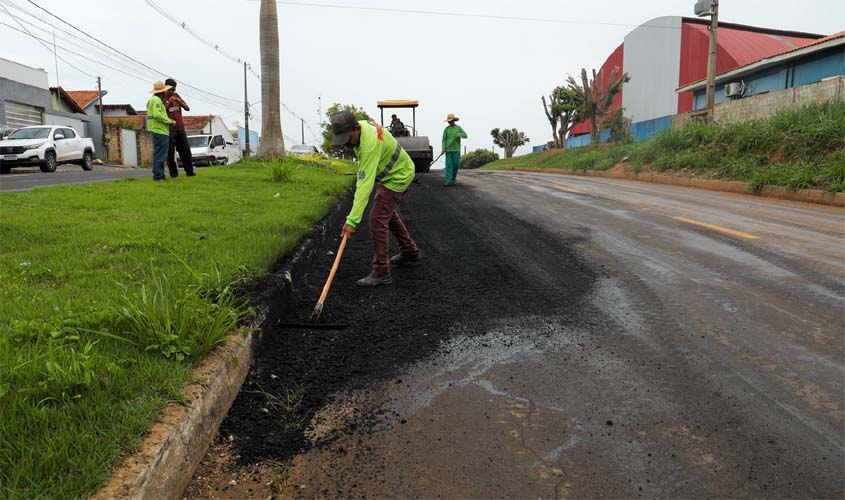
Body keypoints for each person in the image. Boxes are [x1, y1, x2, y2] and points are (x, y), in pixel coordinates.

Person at [331, 111, 421, 287]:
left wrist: (352, 221)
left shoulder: (369, 144)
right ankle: (410, 251)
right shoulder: (362, 129)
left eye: (348, 137)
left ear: (356, 128)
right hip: (394, 173)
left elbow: (364, 186)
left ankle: (381, 271)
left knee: (377, 219)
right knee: (388, 214)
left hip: (398, 176)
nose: (347, 143)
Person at [164, 78, 195, 177]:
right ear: (166, 88)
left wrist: (178, 100)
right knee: (170, 153)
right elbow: (162, 112)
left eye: (174, 90)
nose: (172, 92)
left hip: (180, 128)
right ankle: (173, 174)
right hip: (169, 128)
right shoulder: (161, 98)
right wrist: (169, 103)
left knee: (185, 150)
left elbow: (187, 108)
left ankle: (189, 172)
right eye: (170, 90)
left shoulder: (176, 96)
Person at [146, 81, 174, 181]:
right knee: (161, 155)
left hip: (155, 129)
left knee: (158, 154)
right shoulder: (157, 100)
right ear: (162, 92)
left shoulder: (151, 100)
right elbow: (158, 115)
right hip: (160, 130)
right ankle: (159, 176)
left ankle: (157, 175)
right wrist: (170, 121)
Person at [441, 113, 467, 186]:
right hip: (448, 150)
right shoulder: (446, 129)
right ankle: (448, 180)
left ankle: (453, 179)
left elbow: (465, 135)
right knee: (449, 165)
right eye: (448, 121)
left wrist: (460, 135)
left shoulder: (458, 128)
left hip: (456, 150)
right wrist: (443, 148)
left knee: (456, 165)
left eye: (451, 120)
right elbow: (444, 140)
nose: (449, 122)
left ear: (454, 120)